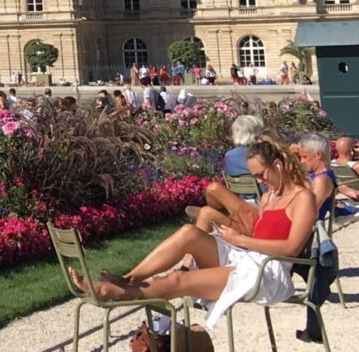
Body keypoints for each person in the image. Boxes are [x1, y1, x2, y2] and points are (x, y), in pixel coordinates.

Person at [74, 139, 315, 328]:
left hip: (268, 273)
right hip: (248, 256)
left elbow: (292, 248)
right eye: (255, 177)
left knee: (180, 280)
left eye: (261, 175)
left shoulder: (303, 198)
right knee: (189, 232)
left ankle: (115, 292)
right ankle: (129, 278)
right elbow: (262, 234)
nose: (261, 182)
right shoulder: (269, 197)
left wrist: (240, 239)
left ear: (278, 166)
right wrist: (236, 234)